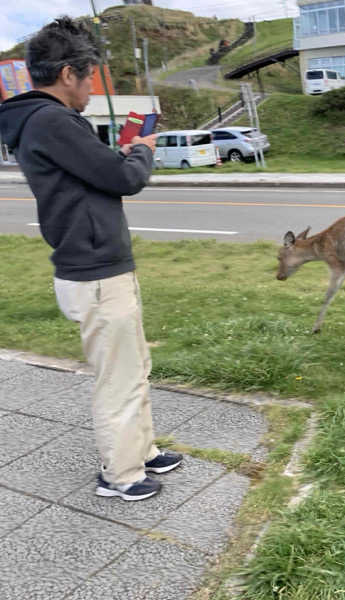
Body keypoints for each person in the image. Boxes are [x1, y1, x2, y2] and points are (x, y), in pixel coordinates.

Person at [0, 17, 182, 502]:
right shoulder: (51, 120)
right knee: (117, 378)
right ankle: (121, 474)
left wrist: (123, 154)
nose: (90, 89)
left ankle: (141, 451)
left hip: (102, 267)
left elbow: (98, 173)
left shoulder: (43, 122)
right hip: (96, 273)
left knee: (134, 366)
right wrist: (142, 150)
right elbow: (124, 179)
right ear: (67, 74)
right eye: (89, 78)